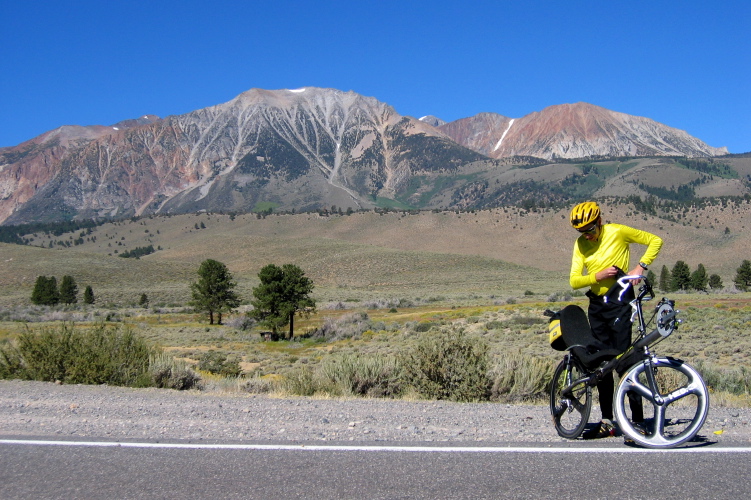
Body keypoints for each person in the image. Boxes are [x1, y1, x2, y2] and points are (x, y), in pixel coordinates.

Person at [568, 201, 663, 438]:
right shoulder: (580, 244)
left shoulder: (618, 232)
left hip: (620, 302)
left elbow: (655, 241)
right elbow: (574, 281)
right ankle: (607, 420)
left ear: (600, 221)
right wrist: (597, 276)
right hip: (597, 306)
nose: (587, 235)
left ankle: (638, 421)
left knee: (626, 360)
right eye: (582, 232)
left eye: (590, 229)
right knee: (602, 364)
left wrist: (640, 267)